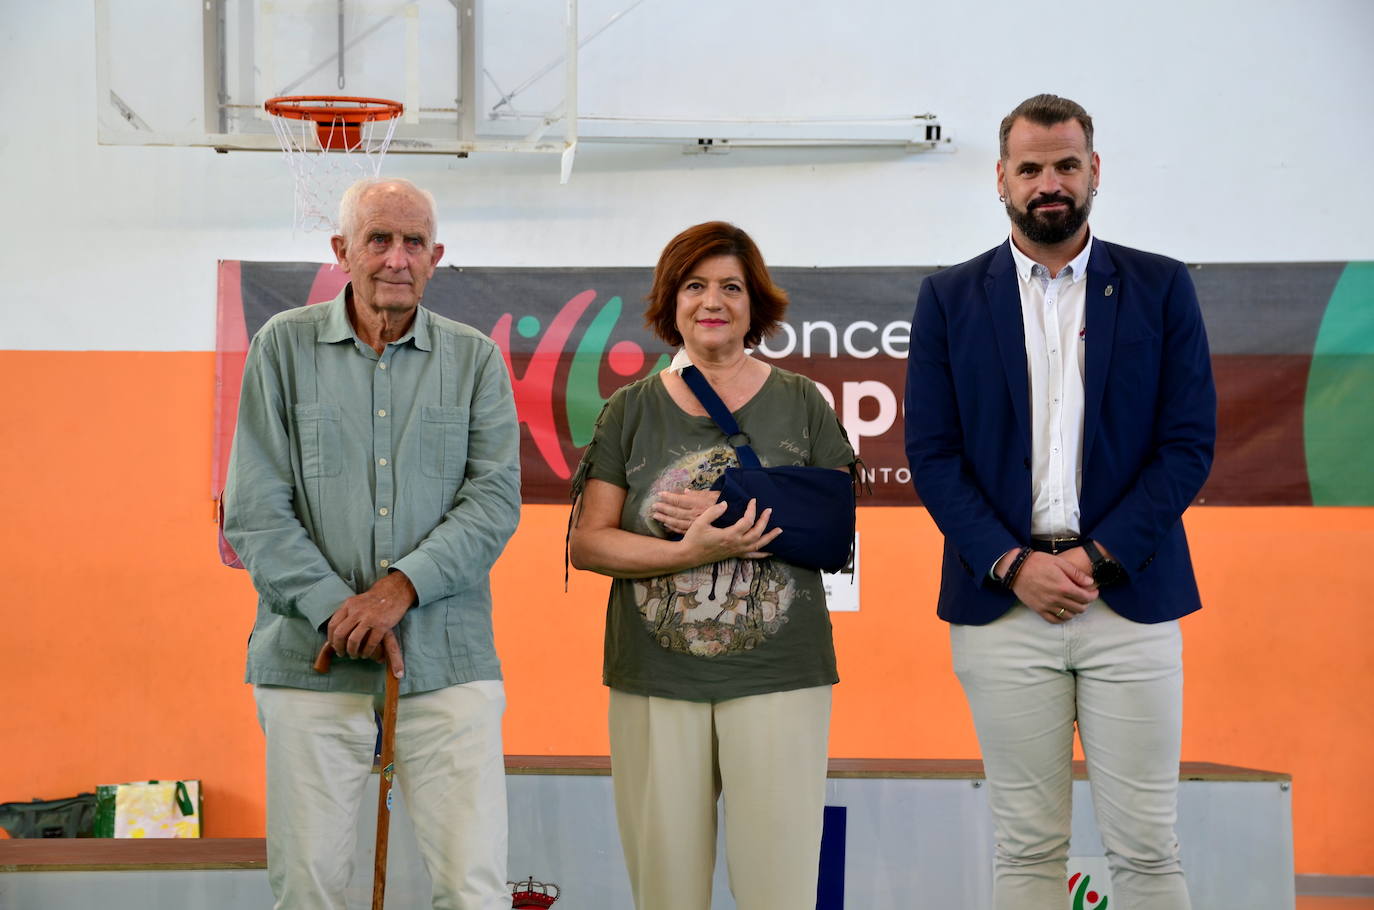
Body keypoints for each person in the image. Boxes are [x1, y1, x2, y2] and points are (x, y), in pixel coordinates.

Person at [904, 94, 1215, 909]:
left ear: (1094, 170)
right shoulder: (948, 298)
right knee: (1026, 849)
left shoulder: (1160, 286)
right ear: (1001, 177)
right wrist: (1013, 565)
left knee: (1148, 849)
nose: (1050, 182)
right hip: (1002, 608)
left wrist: (1097, 559)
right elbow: (932, 455)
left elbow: (1187, 446)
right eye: (1032, 167)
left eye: (1067, 165)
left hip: (1132, 600)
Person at [223, 177, 521, 910]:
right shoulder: (282, 346)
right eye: (378, 239)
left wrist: (397, 592)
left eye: (414, 242)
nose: (396, 258)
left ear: (435, 257)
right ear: (342, 250)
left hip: (447, 660)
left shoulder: (476, 359)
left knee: (475, 888)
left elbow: (493, 503)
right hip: (310, 660)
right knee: (309, 889)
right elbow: (255, 510)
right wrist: (339, 610)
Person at [568, 221, 856, 909]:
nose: (712, 301)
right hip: (655, 677)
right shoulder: (628, 410)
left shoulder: (802, 401)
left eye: (731, 286)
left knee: (780, 889)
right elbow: (589, 543)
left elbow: (834, 530)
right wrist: (687, 553)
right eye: (694, 286)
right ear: (672, 302)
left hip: (780, 674)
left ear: (755, 304)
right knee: (665, 887)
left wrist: (735, 516)